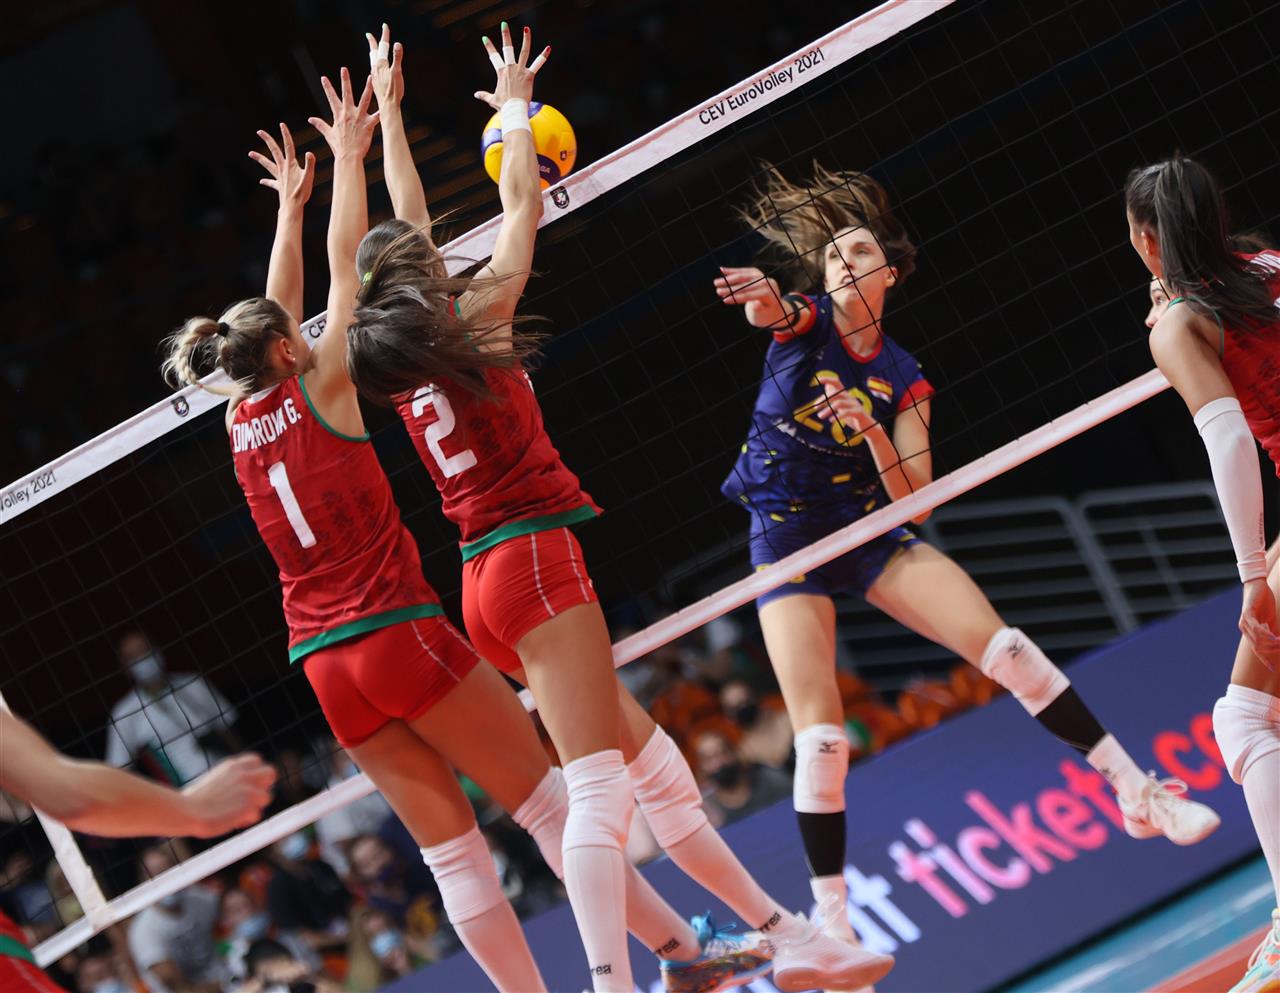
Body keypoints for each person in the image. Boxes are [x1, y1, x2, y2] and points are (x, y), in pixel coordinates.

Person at [161, 41, 765, 993]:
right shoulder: (341, 374)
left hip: (320, 662)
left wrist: (301, 199)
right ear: (288, 350)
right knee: (557, 805)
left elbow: (292, 300)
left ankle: (637, 968)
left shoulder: (240, 419)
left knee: (454, 858)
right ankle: (668, 962)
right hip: (405, 625)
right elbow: (343, 270)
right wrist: (344, 163)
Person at [344, 22, 891, 993]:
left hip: (483, 581)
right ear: (423, 275)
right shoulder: (476, 319)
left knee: (657, 769)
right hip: (533, 560)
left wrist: (390, 113)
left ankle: (789, 937)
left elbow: (403, 227)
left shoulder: (400, 358)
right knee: (596, 791)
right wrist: (516, 109)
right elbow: (519, 200)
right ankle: (610, 982)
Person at [711, 161, 1222, 958]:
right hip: (784, 541)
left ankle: (1138, 792)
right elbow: (775, 311)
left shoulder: (903, 379)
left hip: (867, 527)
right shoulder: (806, 325)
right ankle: (834, 925)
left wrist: (871, 429)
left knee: (1008, 649)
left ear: (888, 272)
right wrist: (761, 298)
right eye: (833, 256)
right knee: (822, 740)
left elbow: (915, 500)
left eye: (858, 252)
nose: (842, 264)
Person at [1125, 155, 1280, 993]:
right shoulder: (1266, 264)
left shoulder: (1181, 323)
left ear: (1146, 240)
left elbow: (1229, 444)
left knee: (1245, 716)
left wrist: (1254, 574)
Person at [0, 706, 274, 992]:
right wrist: (195, 809)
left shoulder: (202, 901)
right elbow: (67, 795)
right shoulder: (148, 930)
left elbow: (26, 803)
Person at [105, 630, 240, 786]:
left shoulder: (195, 683)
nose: (143, 659)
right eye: (134, 656)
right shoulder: (124, 713)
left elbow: (229, 733)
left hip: (230, 779)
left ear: (158, 650)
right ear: (125, 666)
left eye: (146, 650)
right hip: (187, 793)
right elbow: (118, 771)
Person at [127, 842, 226, 993]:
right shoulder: (143, 930)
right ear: (144, 882)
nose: (166, 879)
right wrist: (224, 985)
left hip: (226, 979)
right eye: (158, 875)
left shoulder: (201, 899)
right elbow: (178, 987)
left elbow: (232, 933)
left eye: (169, 870)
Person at [692, 728, 792, 828]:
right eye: (709, 759)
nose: (718, 763)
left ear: (735, 752)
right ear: (701, 768)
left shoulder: (770, 780)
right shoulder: (707, 811)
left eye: (722, 753)